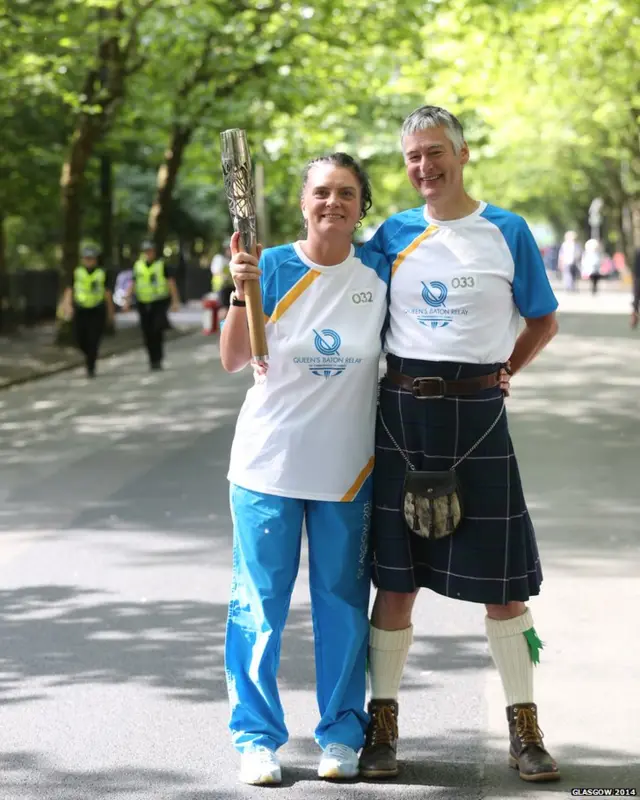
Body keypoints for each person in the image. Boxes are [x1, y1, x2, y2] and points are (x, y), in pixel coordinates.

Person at [357, 105, 560, 784]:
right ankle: (380, 724)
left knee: (503, 587)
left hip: (478, 416)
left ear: (462, 154)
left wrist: (510, 369)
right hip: (402, 414)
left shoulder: (506, 231)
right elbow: (341, 294)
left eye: (435, 152)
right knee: (396, 580)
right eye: (413, 156)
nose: (424, 166)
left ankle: (525, 729)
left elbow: (543, 318)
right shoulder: (392, 235)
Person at [220, 153, 391, 786]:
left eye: (347, 194)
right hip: (267, 466)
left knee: (343, 605)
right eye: (321, 192)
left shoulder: (379, 269)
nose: (333, 203)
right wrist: (240, 293)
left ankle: (341, 734)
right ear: (302, 202)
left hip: (348, 470)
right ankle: (256, 737)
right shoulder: (267, 267)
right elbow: (234, 359)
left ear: (361, 207)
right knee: (258, 605)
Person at [124, 240, 180, 370]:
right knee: (147, 332)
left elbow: (171, 283)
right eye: (146, 251)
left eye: (150, 251)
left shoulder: (161, 265)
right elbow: (132, 283)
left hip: (159, 303)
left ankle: (158, 358)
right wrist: (127, 300)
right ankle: (152, 359)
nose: (148, 254)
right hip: (143, 303)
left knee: (157, 330)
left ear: (154, 252)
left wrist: (175, 301)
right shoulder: (138, 266)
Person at [61, 244, 115, 378]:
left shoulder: (102, 273)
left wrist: (110, 313)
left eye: (91, 258)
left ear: (96, 259)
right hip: (81, 309)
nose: (89, 261)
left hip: (97, 310)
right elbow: (69, 289)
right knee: (79, 338)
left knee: (93, 339)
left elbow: (108, 294)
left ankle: (91, 366)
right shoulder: (77, 272)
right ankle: (88, 355)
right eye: (86, 258)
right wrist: (67, 305)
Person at [210, 239, 234, 319]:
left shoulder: (232, 259)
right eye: (229, 249)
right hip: (222, 287)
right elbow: (216, 271)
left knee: (231, 308)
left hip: (231, 287)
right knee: (223, 308)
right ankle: (223, 327)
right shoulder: (219, 259)